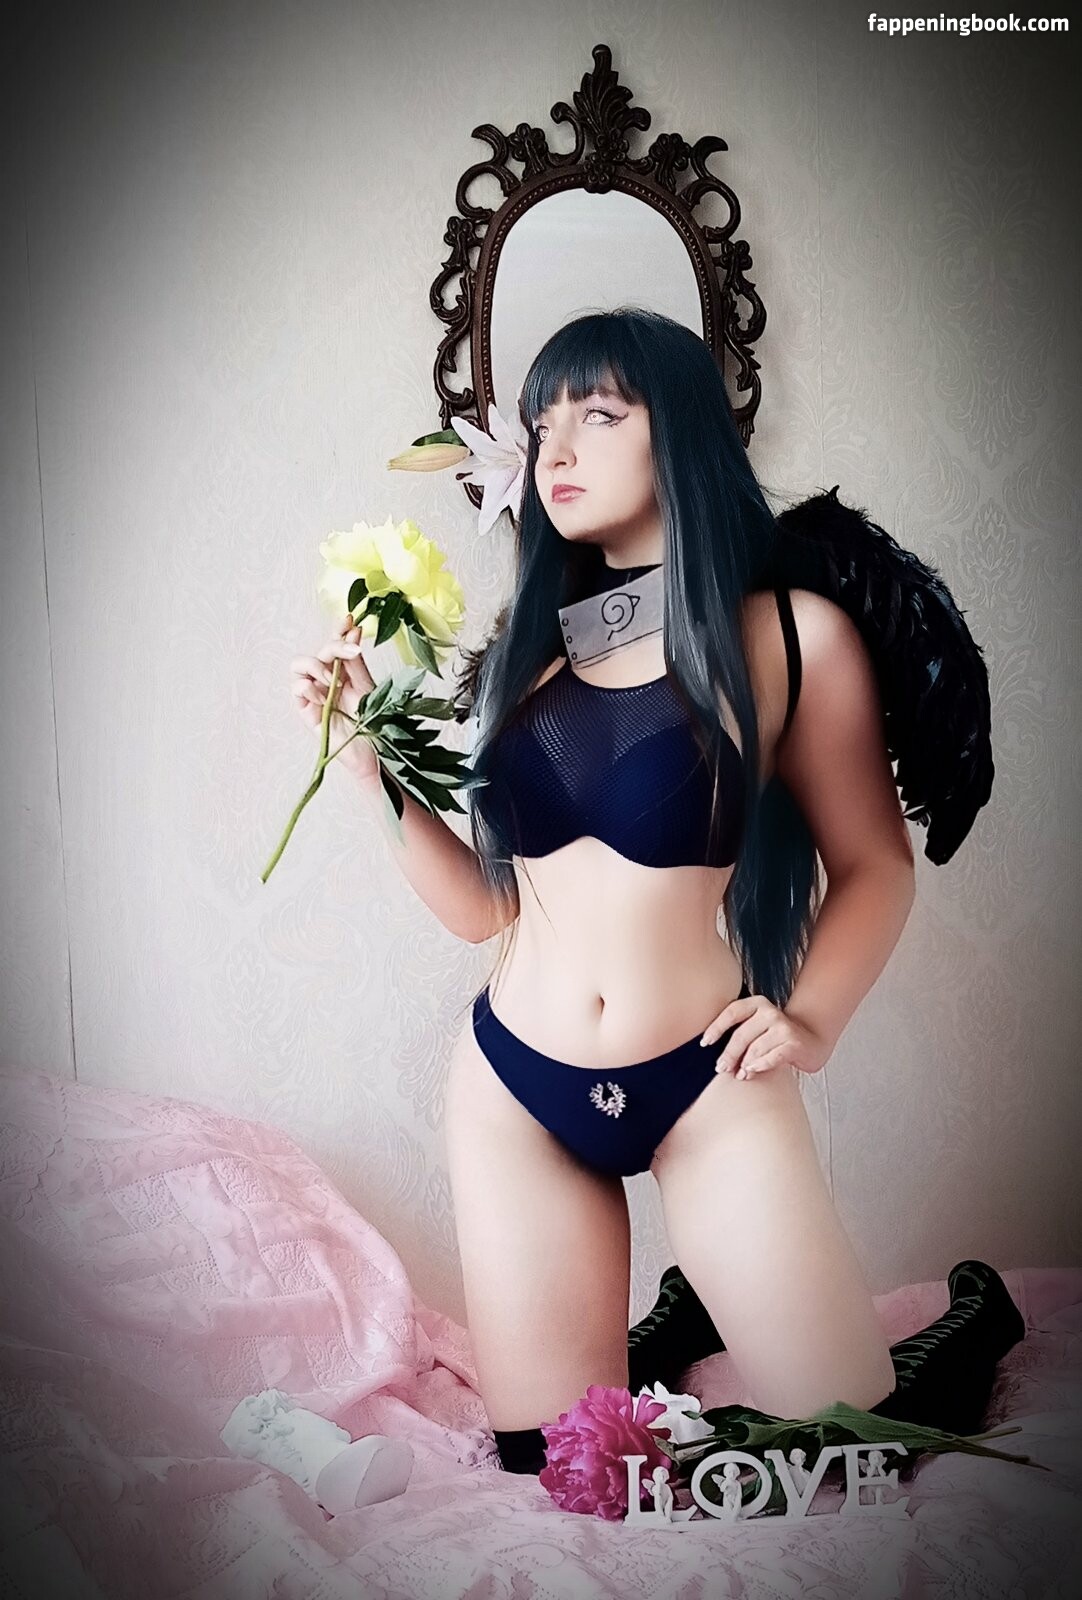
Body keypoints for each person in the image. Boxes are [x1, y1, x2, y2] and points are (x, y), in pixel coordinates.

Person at [290, 308, 1024, 1478]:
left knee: (847, 1449)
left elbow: (874, 863)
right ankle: (676, 1327)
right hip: (516, 1092)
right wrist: (365, 765)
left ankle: (969, 1326)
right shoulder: (530, 651)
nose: (556, 450)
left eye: (597, 414)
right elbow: (482, 910)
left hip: (704, 1080)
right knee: (554, 1462)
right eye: (541, 425)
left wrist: (811, 1018)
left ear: (676, 431)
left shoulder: (788, 637)